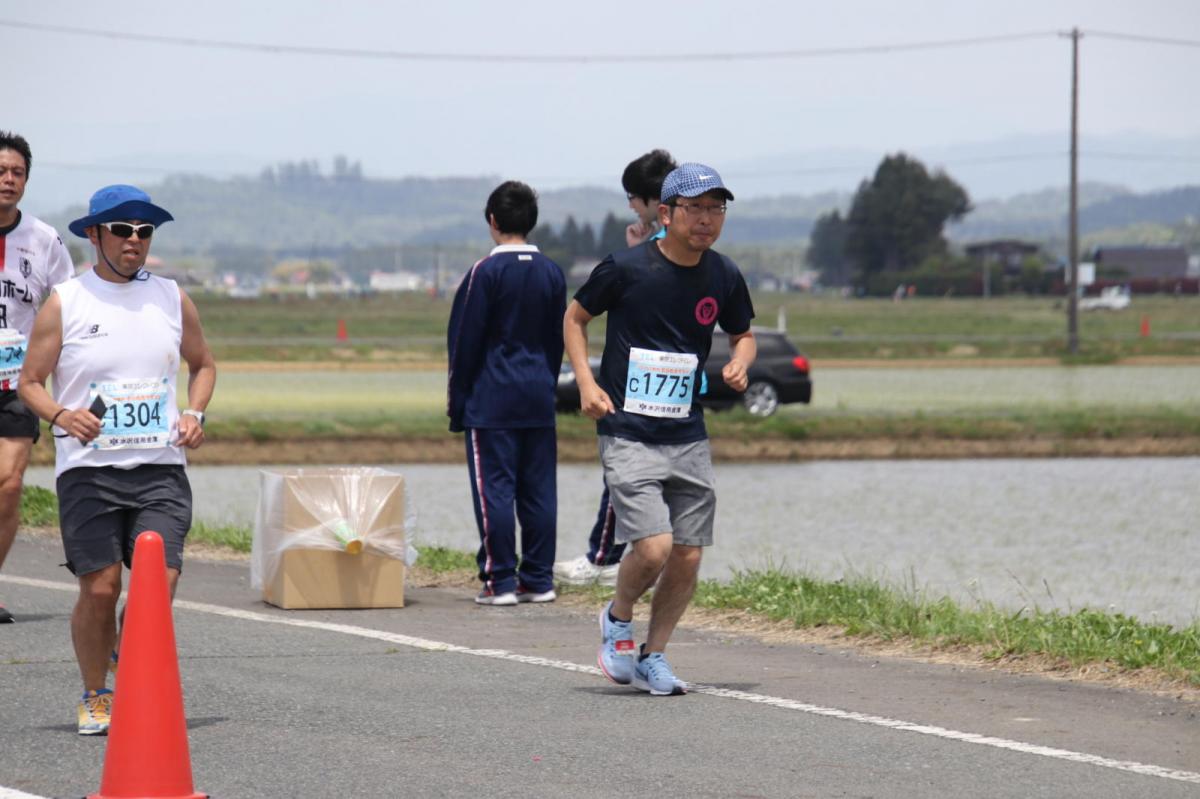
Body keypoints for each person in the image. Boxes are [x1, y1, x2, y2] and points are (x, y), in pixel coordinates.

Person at [18, 184, 216, 734]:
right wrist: (60, 416)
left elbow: (203, 365)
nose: (135, 241)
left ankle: (128, 654)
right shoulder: (66, 301)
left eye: (145, 231)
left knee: (160, 581)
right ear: (95, 235)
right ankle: (95, 694)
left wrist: (195, 415)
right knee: (100, 587)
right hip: (88, 470)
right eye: (124, 230)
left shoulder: (172, 297)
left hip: (159, 467)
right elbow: (30, 382)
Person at [565, 163, 756, 695]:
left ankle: (655, 653)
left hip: (687, 434)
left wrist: (742, 360)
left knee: (689, 552)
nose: (706, 220)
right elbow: (575, 318)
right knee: (653, 547)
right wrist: (585, 382)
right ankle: (618, 618)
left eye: (716, 209)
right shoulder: (624, 268)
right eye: (695, 208)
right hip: (627, 430)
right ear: (666, 213)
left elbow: (743, 333)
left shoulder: (723, 274)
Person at [553, 148, 677, 588]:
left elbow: (587, 312)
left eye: (632, 197)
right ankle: (653, 555)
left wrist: (635, 251)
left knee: (622, 468)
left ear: (648, 200)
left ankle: (604, 557)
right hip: (676, 382)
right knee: (664, 471)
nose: (629, 205)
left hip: (636, 377)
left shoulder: (651, 252)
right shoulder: (689, 243)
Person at [447, 181, 566, 606]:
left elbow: (465, 342)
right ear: (530, 222)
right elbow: (557, 339)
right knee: (538, 491)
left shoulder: (485, 272)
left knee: (494, 490)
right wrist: (545, 384)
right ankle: (538, 578)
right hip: (538, 396)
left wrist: (457, 402)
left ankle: (500, 581)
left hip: (492, 399)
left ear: (493, 221)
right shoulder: (552, 272)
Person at [0, 131, 75, 624]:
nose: (8, 181)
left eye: (17, 173)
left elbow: (68, 310)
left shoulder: (45, 240)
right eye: (1, 172)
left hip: (17, 382)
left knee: (7, 483)